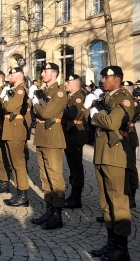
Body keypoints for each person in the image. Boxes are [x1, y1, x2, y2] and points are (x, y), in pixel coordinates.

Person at [89, 66, 138, 260]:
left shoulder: (124, 98)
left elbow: (112, 123)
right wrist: (95, 115)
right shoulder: (106, 98)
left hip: (116, 154)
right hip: (102, 152)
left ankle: (122, 248)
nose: (102, 80)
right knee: (106, 202)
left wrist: (94, 115)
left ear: (117, 79)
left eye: (106, 77)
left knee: (118, 202)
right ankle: (111, 243)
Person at [30, 62, 67, 230]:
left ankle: (57, 215)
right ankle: (48, 210)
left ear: (54, 74)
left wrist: (35, 103)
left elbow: (45, 113)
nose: (42, 74)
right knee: (44, 176)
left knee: (54, 176)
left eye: (45, 71)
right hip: (41, 135)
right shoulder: (44, 92)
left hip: (52, 137)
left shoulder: (59, 92)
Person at [2, 67, 32, 207]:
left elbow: (9, 107)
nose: (9, 75)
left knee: (18, 164)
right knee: (13, 163)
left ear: (19, 76)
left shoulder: (20, 90)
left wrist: (4, 99)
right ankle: (20, 193)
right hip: (11, 128)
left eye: (12, 74)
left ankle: (23, 195)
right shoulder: (15, 89)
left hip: (16, 130)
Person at [62, 74, 87, 209]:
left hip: (75, 135)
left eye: (68, 82)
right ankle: (73, 193)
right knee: (72, 166)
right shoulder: (70, 96)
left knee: (76, 167)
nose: (66, 84)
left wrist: (59, 107)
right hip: (69, 134)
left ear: (76, 84)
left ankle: (77, 197)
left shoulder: (78, 97)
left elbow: (72, 114)